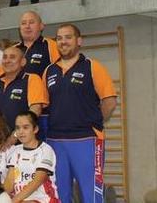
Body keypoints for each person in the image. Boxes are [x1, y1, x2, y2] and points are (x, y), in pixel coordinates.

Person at [43, 24, 117, 203]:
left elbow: (109, 101)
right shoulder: (49, 71)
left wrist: (93, 123)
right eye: (59, 38)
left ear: (79, 41)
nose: (63, 42)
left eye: (68, 37)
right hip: (56, 141)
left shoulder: (92, 67)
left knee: (90, 194)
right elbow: (44, 108)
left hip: (86, 140)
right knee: (59, 195)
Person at [0, 46, 47, 142]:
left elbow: (35, 109)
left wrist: (15, 135)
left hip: (22, 143)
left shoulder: (31, 79)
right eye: (4, 57)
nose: (7, 60)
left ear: (23, 62)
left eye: (12, 57)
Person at [4, 112, 59, 202]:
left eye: (25, 127)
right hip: (19, 200)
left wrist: (14, 201)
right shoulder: (15, 151)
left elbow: (36, 182)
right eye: (18, 128)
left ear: (35, 129)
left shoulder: (45, 150)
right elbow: (9, 183)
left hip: (43, 199)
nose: (21, 132)